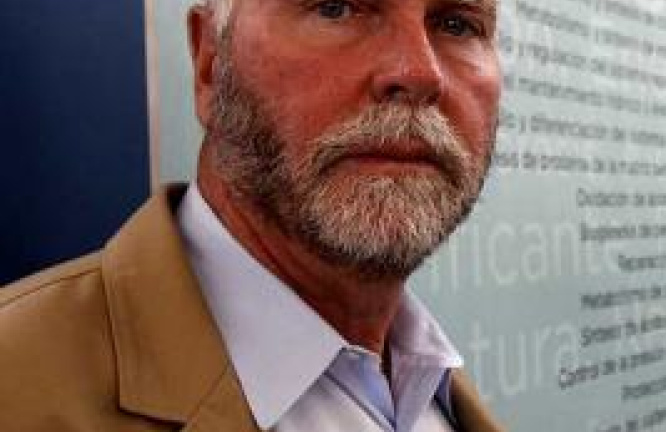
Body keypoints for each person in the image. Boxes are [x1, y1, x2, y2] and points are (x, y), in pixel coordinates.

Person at [0, 0, 504, 430]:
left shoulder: (431, 387)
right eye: (335, 8)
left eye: (457, 23)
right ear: (209, 62)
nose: (418, 73)